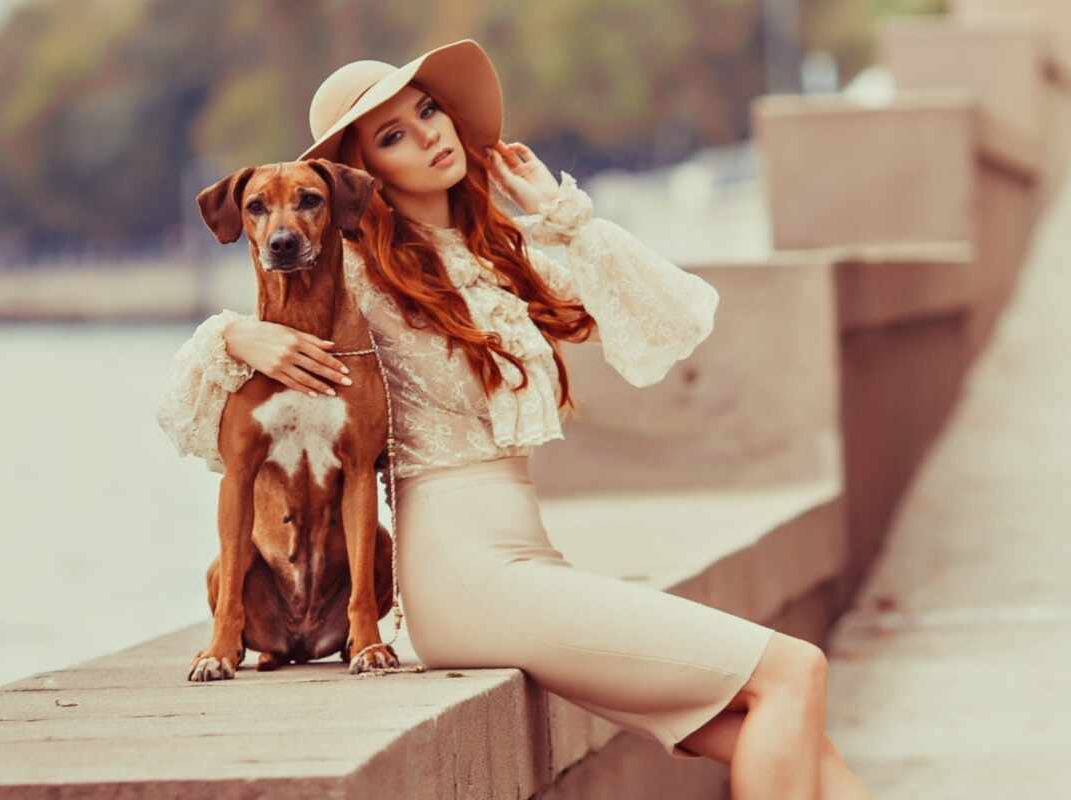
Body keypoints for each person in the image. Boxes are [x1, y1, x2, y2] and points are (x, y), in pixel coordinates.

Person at [158, 38, 873, 800]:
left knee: (783, 720)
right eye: (394, 135)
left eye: (428, 111)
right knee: (794, 669)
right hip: (464, 574)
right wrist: (233, 333)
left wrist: (562, 217)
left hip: (528, 561)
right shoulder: (360, 275)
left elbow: (670, 313)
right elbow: (193, 396)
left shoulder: (500, 257)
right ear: (360, 179)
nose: (429, 135)